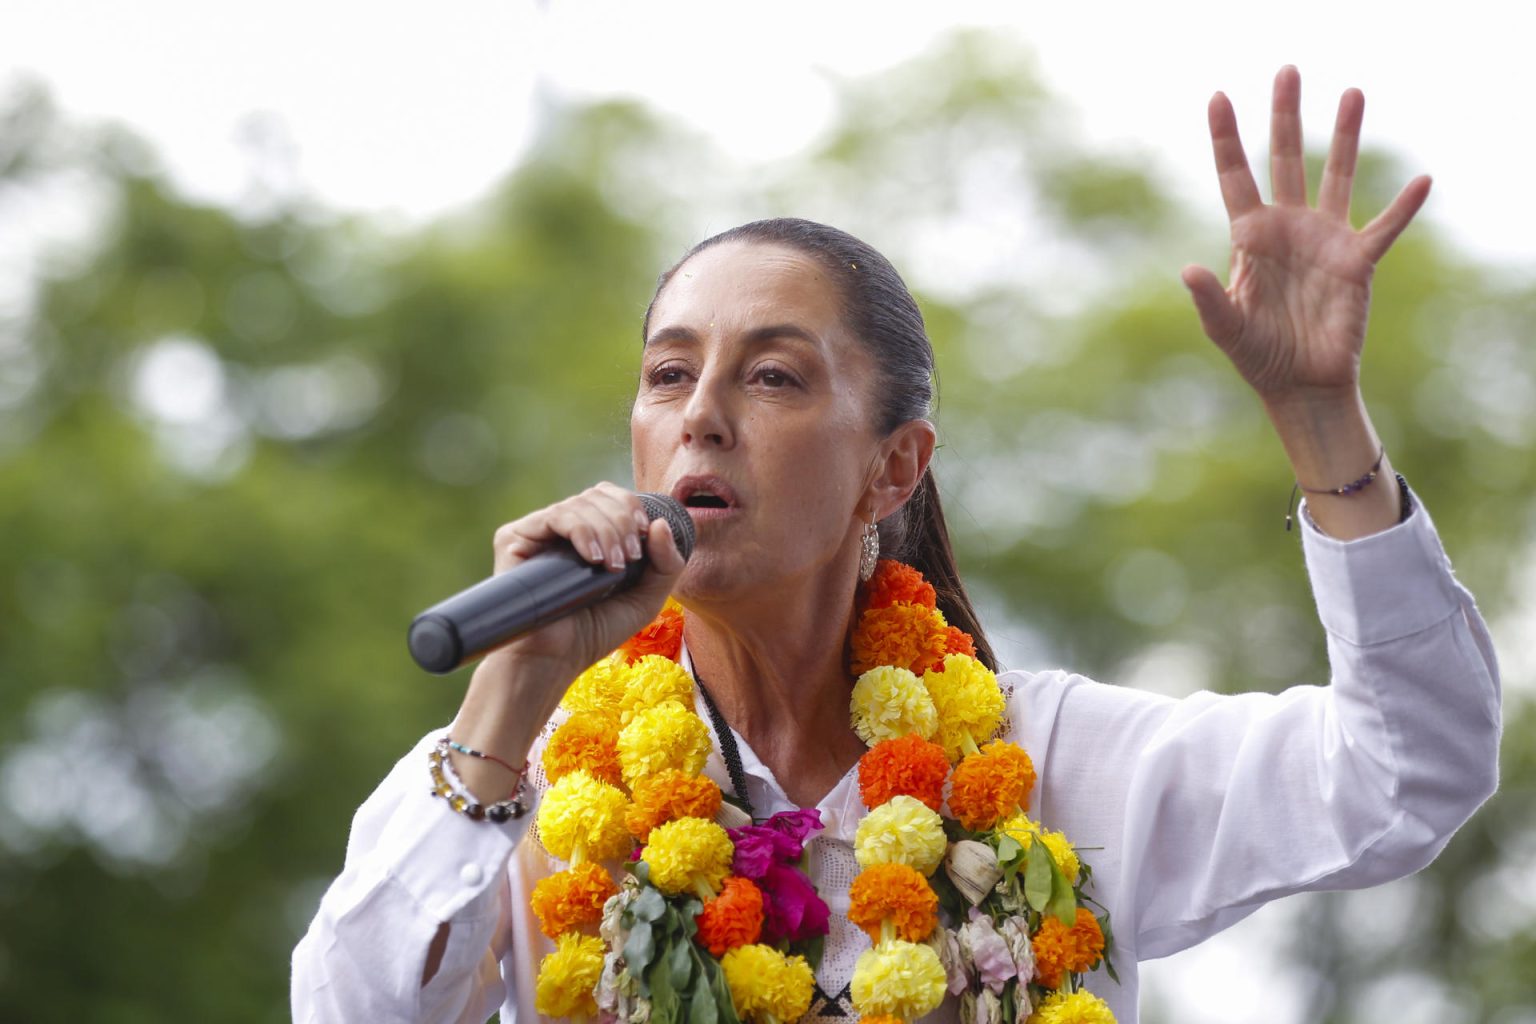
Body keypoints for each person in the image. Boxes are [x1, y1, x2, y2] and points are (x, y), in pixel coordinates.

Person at [291, 67, 1500, 1023]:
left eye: (770, 375)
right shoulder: (526, 787)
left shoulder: (1055, 764)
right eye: (669, 374)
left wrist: (1318, 419)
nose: (702, 412)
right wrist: (506, 705)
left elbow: (1408, 771)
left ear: (893, 467)